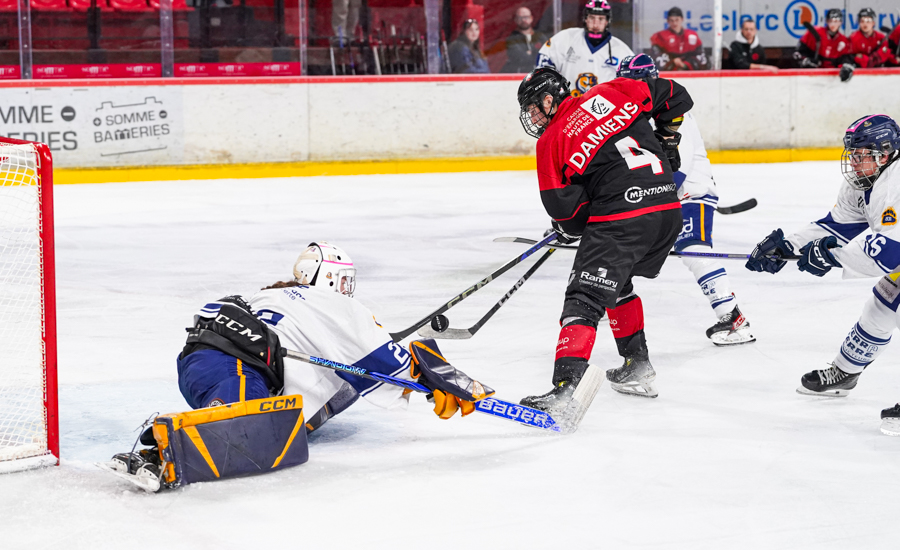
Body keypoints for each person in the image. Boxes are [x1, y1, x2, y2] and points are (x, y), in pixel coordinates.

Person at [105, 242, 485, 487]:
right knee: (246, 427)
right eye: (345, 281)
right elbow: (385, 359)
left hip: (196, 361)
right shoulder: (337, 306)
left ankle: (167, 444)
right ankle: (165, 450)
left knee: (258, 418)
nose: (348, 290)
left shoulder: (271, 294)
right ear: (333, 279)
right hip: (237, 366)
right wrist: (435, 376)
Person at [515, 65, 693, 403]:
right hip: (668, 210)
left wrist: (567, 225)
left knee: (584, 297)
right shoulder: (613, 90)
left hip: (624, 219)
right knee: (616, 282)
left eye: (533, 108)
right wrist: (668, 140)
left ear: (549, 100)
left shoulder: (552, 140)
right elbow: (677, 96)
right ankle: (637, 367)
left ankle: (565, 392)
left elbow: (569, 217)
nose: (533, 117)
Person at [744, 115, 900, 427]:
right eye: (852, 155)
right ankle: (846, 372)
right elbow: (837, 225)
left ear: (883, 155)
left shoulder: (896, 184)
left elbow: (887, 252)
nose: (853, 163)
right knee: (881, 309)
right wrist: (788, 246)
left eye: (860, 155)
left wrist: (833, 257)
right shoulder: (866, 179)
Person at [617, 54, 755, 346]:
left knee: (693, 247)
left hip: (691, 191)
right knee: (624, 242)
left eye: (634, 82)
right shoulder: (634, 114)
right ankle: (614, 292)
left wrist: (655, 197)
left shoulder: (674, 111)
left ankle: (733, 318)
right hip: (662, 193)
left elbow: (681, 162)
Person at [536, 0, 633, 96]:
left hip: (604, 104)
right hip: (569, 102)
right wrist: (552, 90)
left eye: (600, 19)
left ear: (607, 21)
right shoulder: (566, 38)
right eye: (591, 18)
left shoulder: (621, 50)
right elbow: (544, 62)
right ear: (585, 19)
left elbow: (632, 82)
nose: (595, 24)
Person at [793, 8, 854, 81]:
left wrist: (846, 68)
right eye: (831, 21)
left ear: (840, 22)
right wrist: (806, 60)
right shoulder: (814, 33)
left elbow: (846, 60)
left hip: (833, 79)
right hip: (812, 76)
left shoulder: (843, 40)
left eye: (836, 21)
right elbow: (798, 54)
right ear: (827, 21)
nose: (833, 24)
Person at [649, 7, 708, 71]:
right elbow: (656, 57)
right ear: (667, 21)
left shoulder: (692, 36)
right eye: (671, 20)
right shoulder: (660, 37)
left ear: (682, 19)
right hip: (669, 73)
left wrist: (686, 64)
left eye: (677, 20)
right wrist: (672, 62)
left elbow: (702, 57)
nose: (674, 23)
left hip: (689, 72)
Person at [502, 7, 549, 73]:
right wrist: (535, 53)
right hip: (520, 75)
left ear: (531, 18)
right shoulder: (512, 39)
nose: (524, 20)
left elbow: (546, 56)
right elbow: (520, 58)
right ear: (516, 20)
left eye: (526, 17)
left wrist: (530, 53)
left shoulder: (540, 37)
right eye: (520, 18)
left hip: (540, 74)